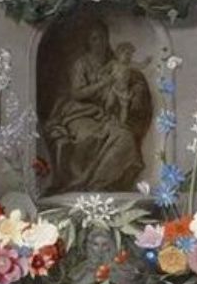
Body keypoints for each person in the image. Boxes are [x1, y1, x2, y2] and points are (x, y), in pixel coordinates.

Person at [44, 21, 152, 192]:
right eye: (94, 38)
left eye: (103, 37)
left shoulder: (113, 62)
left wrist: (136, 91)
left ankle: (102, 184)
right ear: (88, 42)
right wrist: (104, 83)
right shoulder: (81, 63)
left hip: (104, 114)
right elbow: (77, 93)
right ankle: (81, 183)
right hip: (79, 114)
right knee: (89, 136)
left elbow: (132, 76)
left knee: (124, 136)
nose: (99, 42)